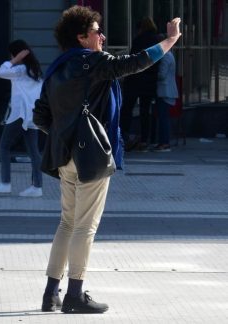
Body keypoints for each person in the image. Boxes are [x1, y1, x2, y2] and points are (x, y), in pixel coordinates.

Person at [33, 5, 181, 313]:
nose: (102, 36)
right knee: (85, 226)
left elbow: (41, 117)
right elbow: (136, 63)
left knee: (67, 222)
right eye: (97, 31)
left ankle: (50, 293)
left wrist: (67, 134)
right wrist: (169, 41)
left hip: (65, 156)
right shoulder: (91, 63)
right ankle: (74, 293)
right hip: (90, 156)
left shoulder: (56, 68)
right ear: (82, 37)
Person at [0, 40, 44, 197]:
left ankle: (5, 183)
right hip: (34, 115)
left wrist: (14, 60)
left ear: (17, 54)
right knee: (34, 151)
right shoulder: (36, 71)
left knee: (4, 146)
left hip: (20, 114)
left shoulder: (19, 69)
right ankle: (37, 187)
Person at [120, 17, 162, 152]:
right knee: (145, 111)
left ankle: (123, 137)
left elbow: (133, 61)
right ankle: (145, 140)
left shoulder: (138, 40)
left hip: (135, 80)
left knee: (127, 109)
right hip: (149, 82)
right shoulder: (156, 40)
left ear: (140, 28)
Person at [153, 48, 178, 152]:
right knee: (164, 118)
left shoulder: (165, 56)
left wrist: (152, 75)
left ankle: (164, 143)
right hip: (165, 91)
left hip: (164, 91)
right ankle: (163, 142)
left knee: (164, 118)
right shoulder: (169, 55)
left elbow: (162, 75)